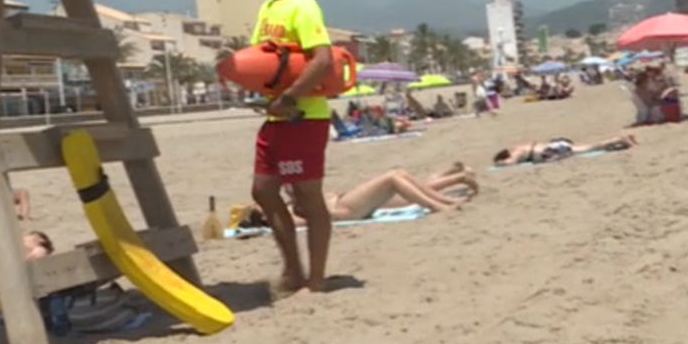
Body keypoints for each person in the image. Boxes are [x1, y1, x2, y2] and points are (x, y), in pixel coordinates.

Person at [245, 0, 338, 293]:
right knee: (263, 190)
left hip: (305, 117)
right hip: (276, 117)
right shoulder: (267, 8)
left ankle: (316, 279)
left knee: (308, 197)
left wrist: (289, 97)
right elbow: (265, 61)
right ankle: (293, 270)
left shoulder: (304, 6)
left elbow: (323, 59)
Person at [237, 165, 478, 228]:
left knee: (399, 176)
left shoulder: (284, 208)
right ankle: (439, 205)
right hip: (345, 210)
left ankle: (445, 199)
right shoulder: (283, 218)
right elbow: (314, 219)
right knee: (392, 178)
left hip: (345, 201)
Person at [492, 133, 638, 166]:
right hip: (553, 146)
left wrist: (499, 164)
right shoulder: (518, 146)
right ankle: (620, 140)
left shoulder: (515, 151)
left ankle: (619, 139)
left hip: (551, 150)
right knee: (589, 147)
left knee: (591, 148)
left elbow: (511, 162)